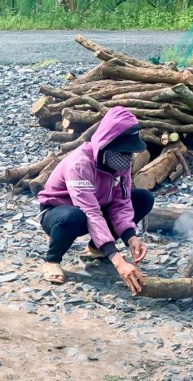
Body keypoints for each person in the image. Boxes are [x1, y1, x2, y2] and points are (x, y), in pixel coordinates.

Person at [37, 106, 154, 295]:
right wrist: (118, 260)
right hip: (59, 213)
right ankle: (52, 260)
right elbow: (90, 211)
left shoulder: (119, 163)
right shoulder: (80, 164)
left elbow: (121, 202)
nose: (128, 158)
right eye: (123, 151)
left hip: (98, 206)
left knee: (143, 198)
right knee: (74, 216)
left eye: (129, 153)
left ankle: (96, 248)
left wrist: (130, 237)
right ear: (106, 143)